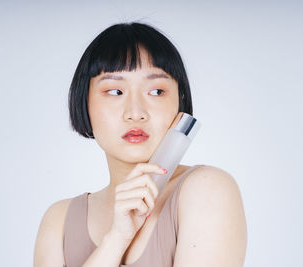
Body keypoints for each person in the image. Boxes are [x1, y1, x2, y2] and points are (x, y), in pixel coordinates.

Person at [33, 22, 247, 267]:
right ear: (84, 102)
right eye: (115, 91)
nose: (135, 113)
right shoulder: (59, 221)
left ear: (180, 101)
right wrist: (116, 239)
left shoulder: (207, 189)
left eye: (156, 91)